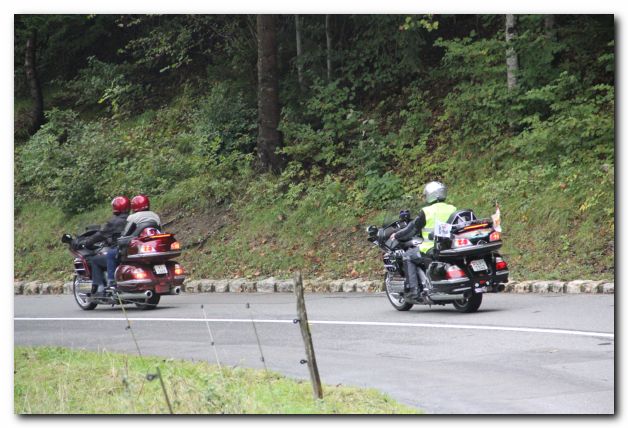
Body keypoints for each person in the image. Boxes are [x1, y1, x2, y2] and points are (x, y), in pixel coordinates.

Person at [391, 181, 457, 299]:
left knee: (407, 256)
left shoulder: (427, 211)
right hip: (451, 246)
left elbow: (412, 230)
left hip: (432, 247)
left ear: (430, 194)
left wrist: (396, 235)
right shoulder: (452, 208)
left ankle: (414, 291)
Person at [80, 196, 130, 295]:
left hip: (119, 251)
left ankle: (100, 287)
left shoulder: (114, 222)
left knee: (95, 260)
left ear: (116, 207)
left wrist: (87, 242)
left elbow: (101, 235)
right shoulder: (132, 219)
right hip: (130, 251)